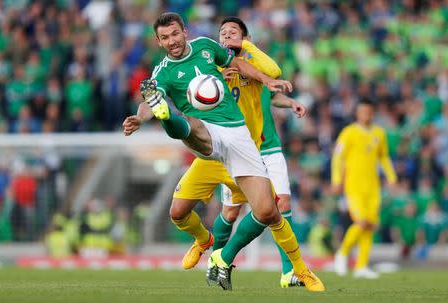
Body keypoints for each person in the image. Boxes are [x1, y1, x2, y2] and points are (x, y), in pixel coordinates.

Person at [123, 12, 324, 291]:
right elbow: (146, 101)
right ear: (158, 42)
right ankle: (167, 115)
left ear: (185, 31)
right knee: (190, 146)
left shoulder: (207, 47)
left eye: (175, 34)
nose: (172, 41)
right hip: (205, 133)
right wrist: (141, 117)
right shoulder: (163, 72)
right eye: (165, 38)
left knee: (268, 212)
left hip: (239, 135)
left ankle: (297, 270)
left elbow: (238, 62)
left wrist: (266, 81)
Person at [211, 17, 307, 288]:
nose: (226, 35)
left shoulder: (258, 63)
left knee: (282, 203)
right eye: (222, 32)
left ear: (246, 37)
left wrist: (290, 103)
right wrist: (219, 77)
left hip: (268, 144)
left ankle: (288, 272)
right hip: (237, 147)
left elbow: (271, 85)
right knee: (230, 213)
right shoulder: (217, 66)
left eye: (233, 32)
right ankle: (217, 261)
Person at [331, 98, 397, 279]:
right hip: (353, 186)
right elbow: (338, 158)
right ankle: (342, 253)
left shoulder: (379, 133)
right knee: (361, 222)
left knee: (370, 225)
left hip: (373, 186)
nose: (365, 115)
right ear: (357, 113)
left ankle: (361, 266)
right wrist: (337, 180)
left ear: (372, 113)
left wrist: (391, 177)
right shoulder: (348, 133)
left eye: (368, 112)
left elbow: (383, 157)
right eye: (362, 112)